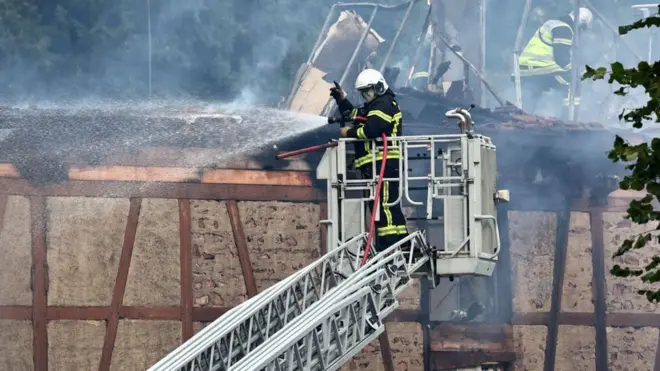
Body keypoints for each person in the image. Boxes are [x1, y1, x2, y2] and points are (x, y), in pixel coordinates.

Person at [329, 69, 410, 253]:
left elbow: (372, 129)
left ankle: (391, 244)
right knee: (382, 205)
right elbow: (355, 115)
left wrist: (347, 133)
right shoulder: (374, 106)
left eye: (368, 91)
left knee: (386, 205)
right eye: (363, 92)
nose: (366, 96)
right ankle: (396, 243)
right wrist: (342, 100)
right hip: (376, 165)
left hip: (385, 163)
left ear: (379, 87)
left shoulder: (384, 104)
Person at [518, 7, 594, 114]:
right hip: (540, 68)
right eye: (583, 28)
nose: (582, 32)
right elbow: (562, 59)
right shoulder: (564, 29)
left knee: (532, 95)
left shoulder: (554, 24)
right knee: (573, 83)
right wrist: (576, 72)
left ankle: (524, 117)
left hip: (526, 68)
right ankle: (569, 119)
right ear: (581, 23)